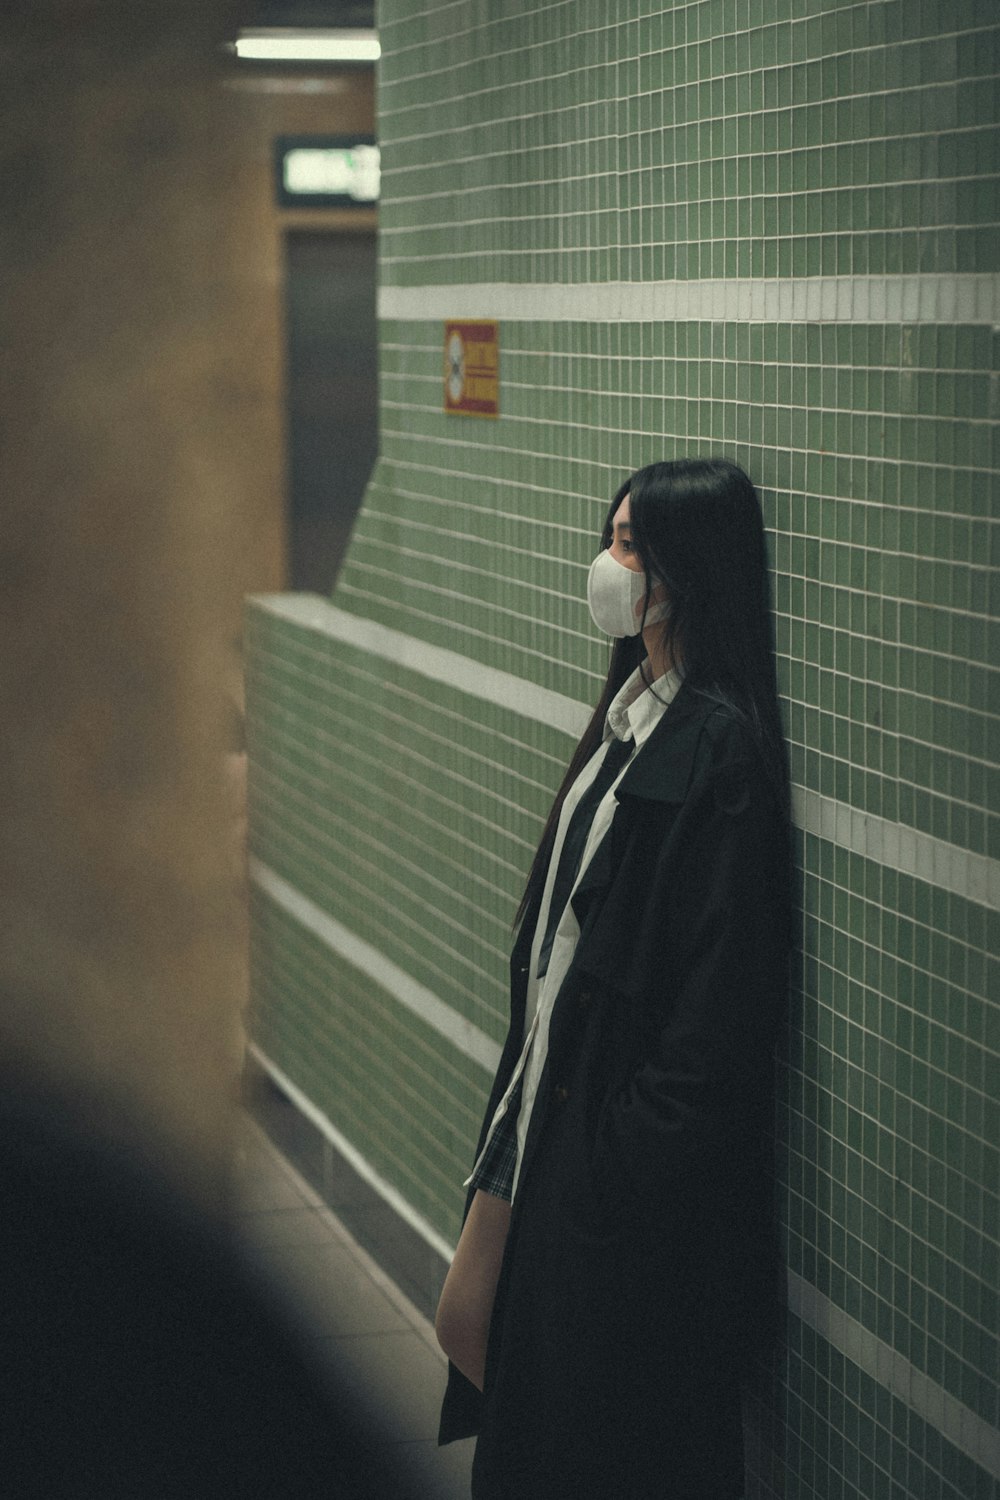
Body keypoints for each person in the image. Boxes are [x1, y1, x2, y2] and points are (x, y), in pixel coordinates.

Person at [435, 458, 793, 1499]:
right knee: (477, 1344)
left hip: (606, 1179)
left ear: (689, 569)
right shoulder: (630, 722)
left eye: (632, 544)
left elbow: (715, 1024)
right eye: (615, 535)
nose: (610, 561)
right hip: (542, 1132)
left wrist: (606, 1169)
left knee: (581, 1443)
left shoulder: (716, 753)